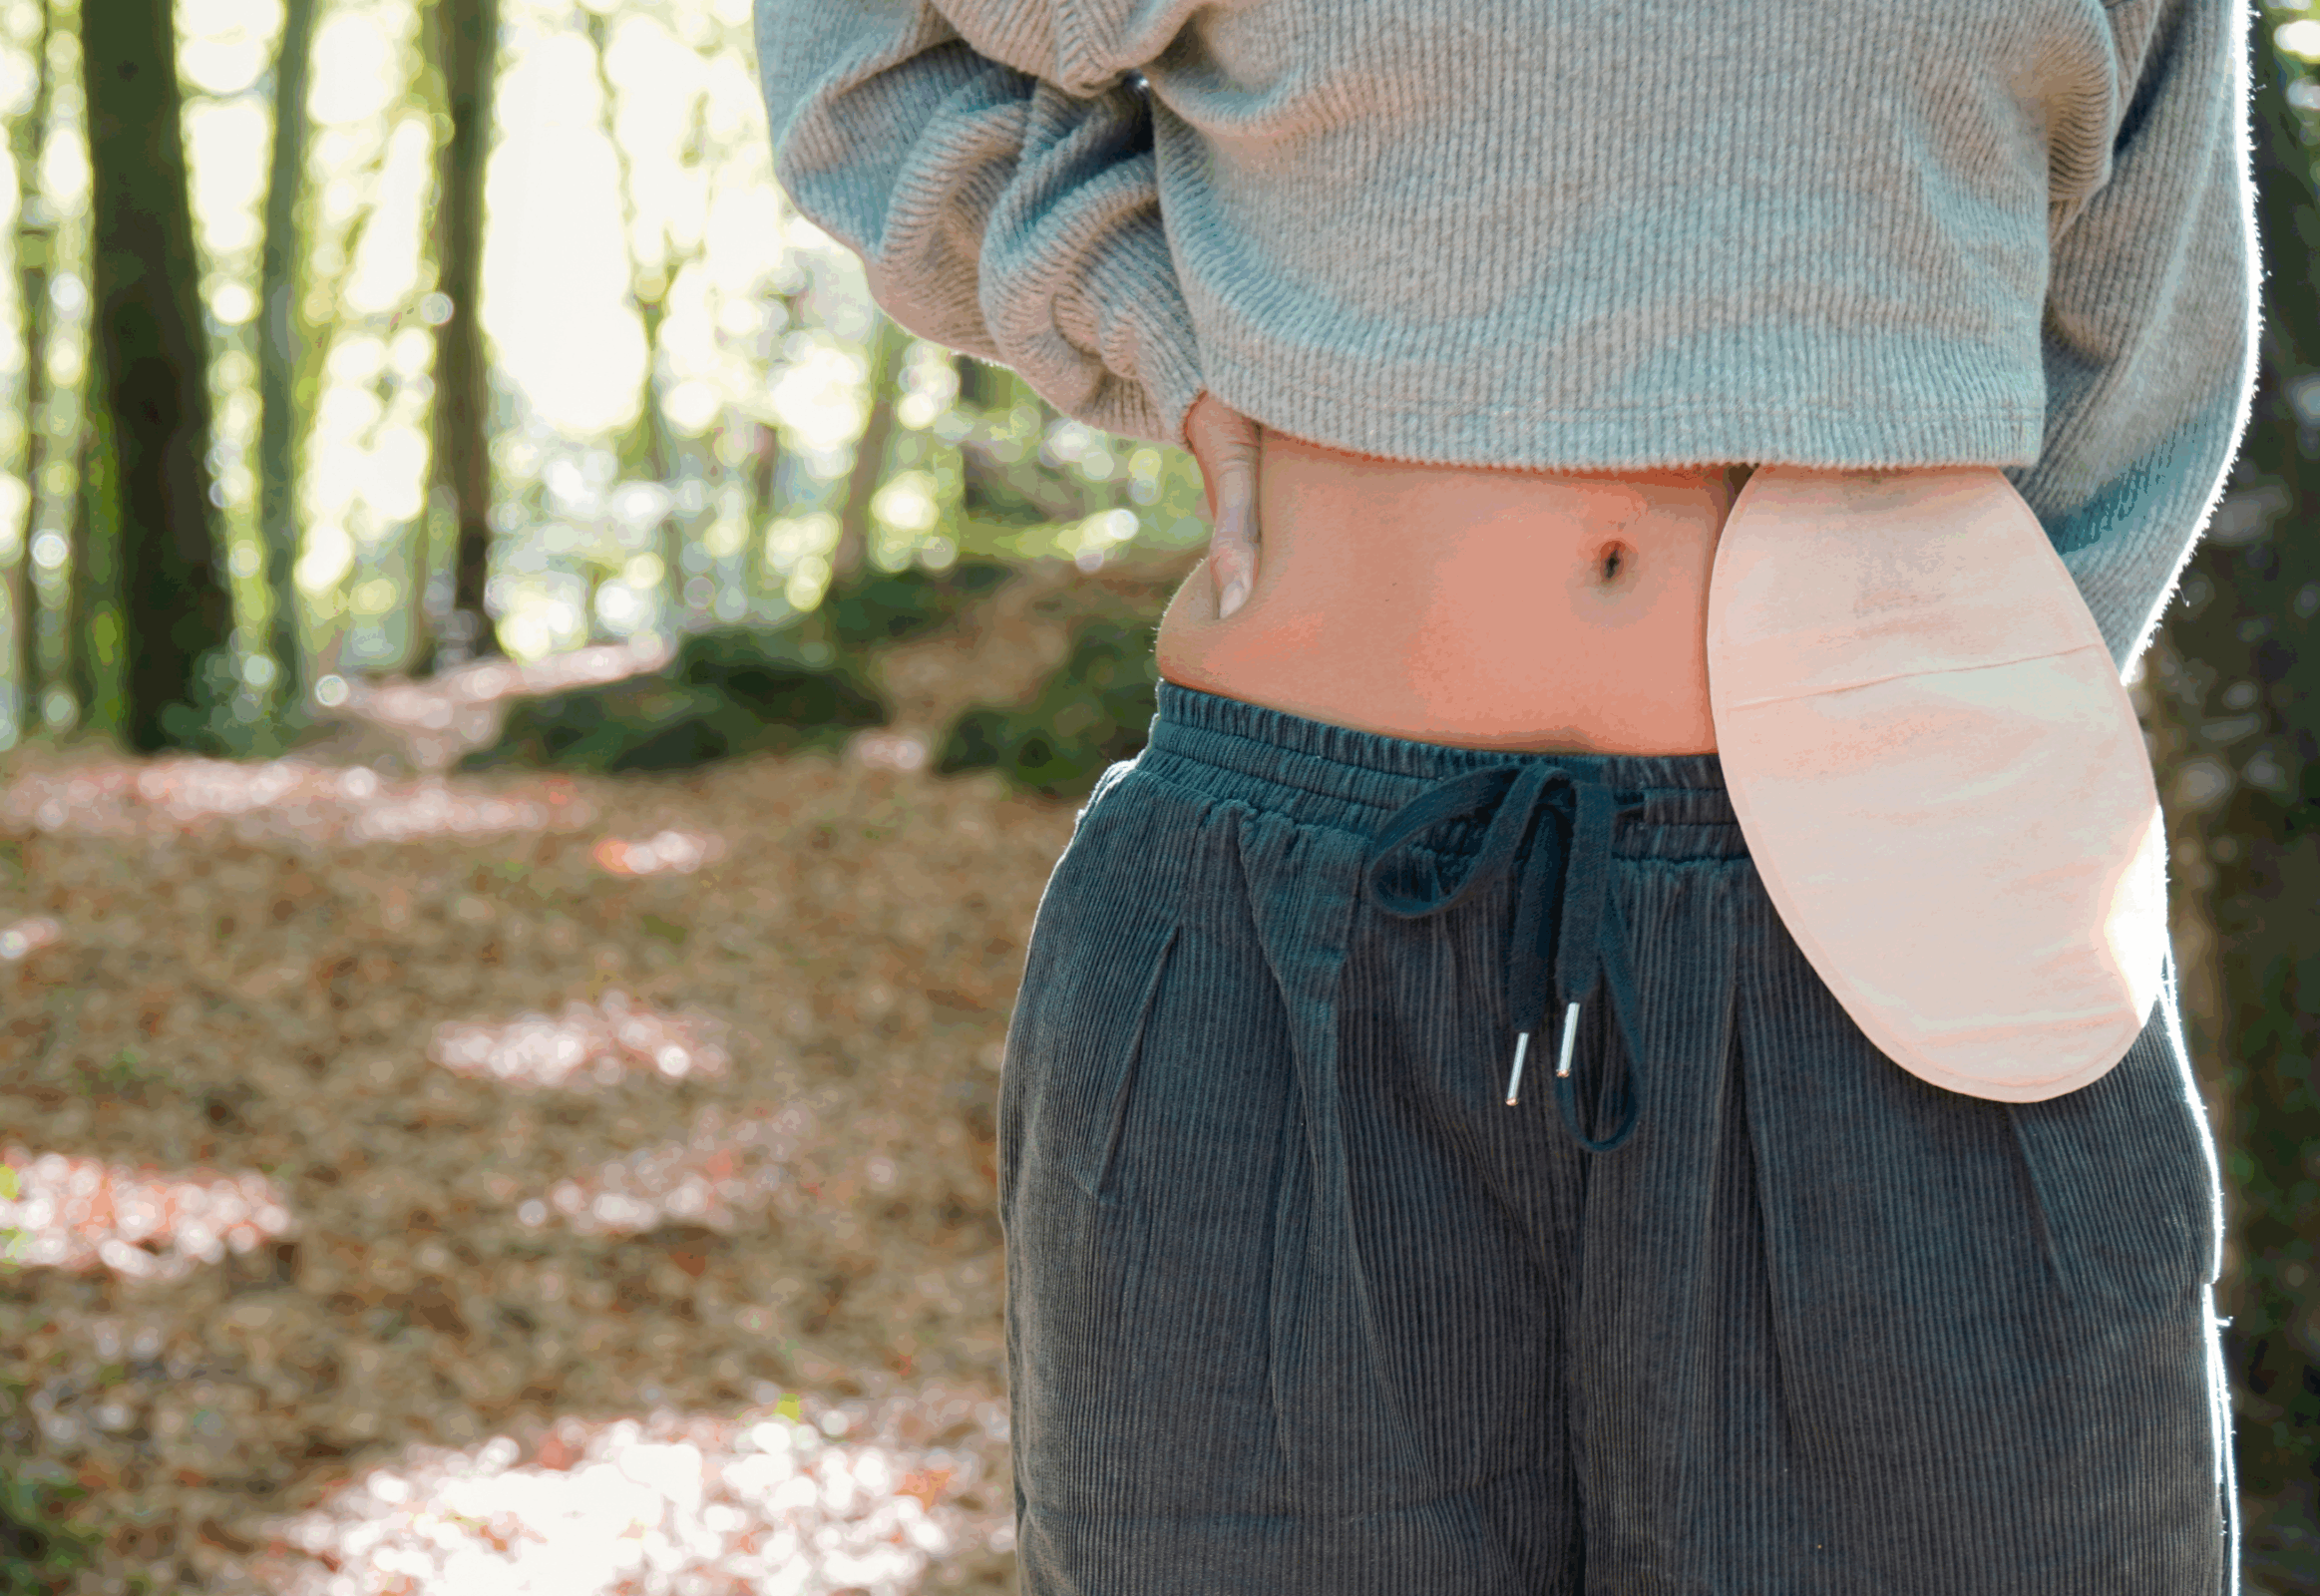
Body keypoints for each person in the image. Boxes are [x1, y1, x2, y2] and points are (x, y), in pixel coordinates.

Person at [754, 1, 2255, 1590]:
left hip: (1937, 943)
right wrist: (1144, 311)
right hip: (1288, 943)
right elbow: (862, 56)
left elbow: (2143, 337)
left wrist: (1949, 756)